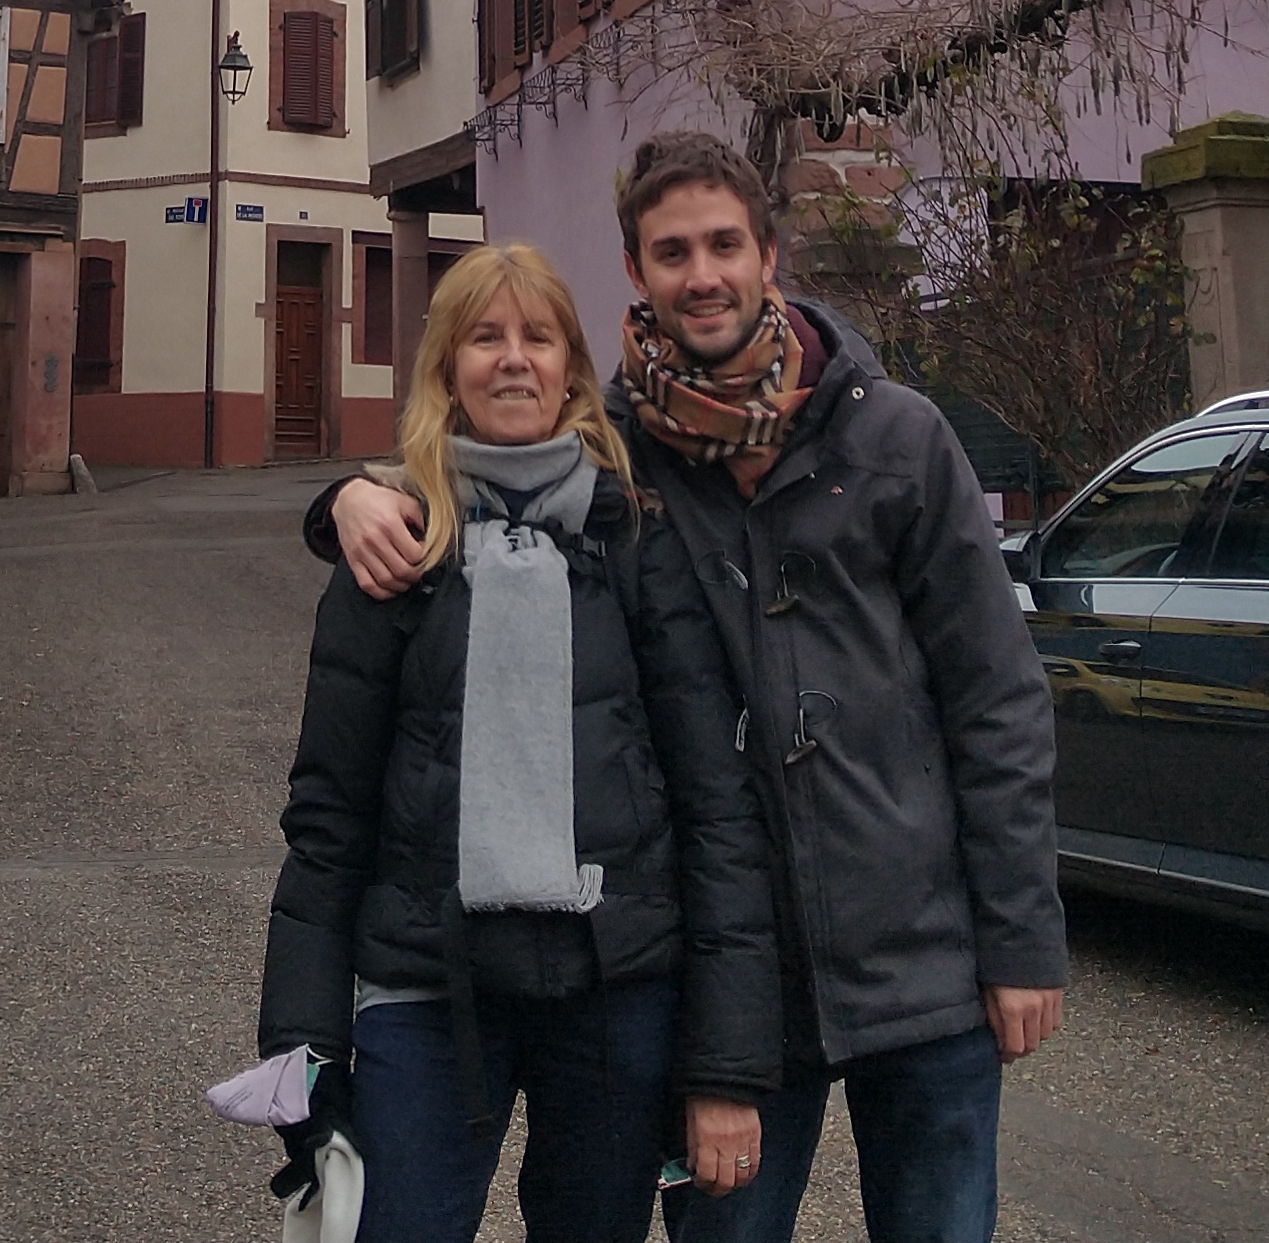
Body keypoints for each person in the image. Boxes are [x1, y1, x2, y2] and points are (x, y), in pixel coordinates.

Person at [322, 136, 1063, 1243]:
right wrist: (350, 497)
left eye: (725, 245)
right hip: (739, 985)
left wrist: (1022, 940)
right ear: (636, 271)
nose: (702, 274)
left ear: (770, 254)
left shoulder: (894, 435)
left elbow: (996, 699)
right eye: (673, 253)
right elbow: (482, 470)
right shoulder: (622, 456)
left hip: (923, 955)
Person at [262, 241, 780, 1243]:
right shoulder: (393, 548)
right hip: (425, 987)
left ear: (571, 371)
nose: (512, 359)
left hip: (615, 994)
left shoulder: (635, 539)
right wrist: (302, 1044)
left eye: (537, 338)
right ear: (447, 370)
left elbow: (715, 808)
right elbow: (328, 817)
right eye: (484, 338)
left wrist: (725, 1059)